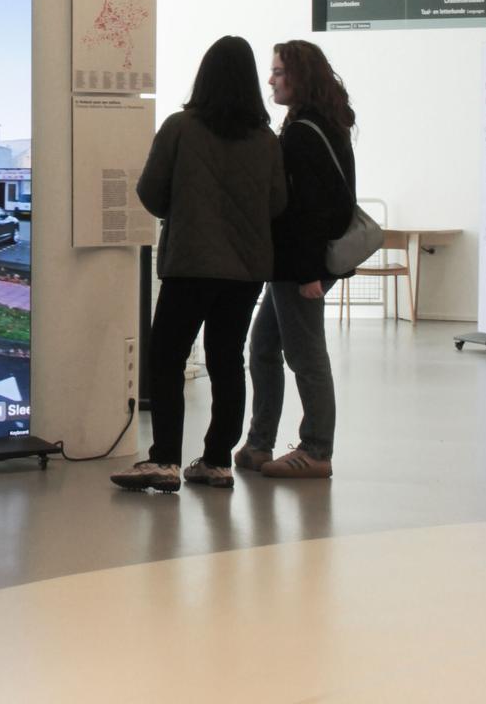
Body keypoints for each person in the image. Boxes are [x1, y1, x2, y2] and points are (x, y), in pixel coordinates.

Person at [112, 36, 286, 493]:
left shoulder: (180, 127)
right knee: (227, 360)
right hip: (245, 270)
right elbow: (277, 203)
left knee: (166, 358)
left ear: (204, 76)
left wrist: (184, 206)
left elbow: (151, 193)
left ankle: (165, 460)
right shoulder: (266, 141)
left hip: (190, 263)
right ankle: (216, 461)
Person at [235, 39, 355, 480]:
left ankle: (317, 449)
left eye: (279, 72)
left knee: (305, 355)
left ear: (300, 77)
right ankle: (259, 442)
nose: (270, 80)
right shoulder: (318, 124)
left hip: (301, 267)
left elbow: (310, 211)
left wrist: (308, 274)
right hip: (294, 266)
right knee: (264, 346)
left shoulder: (305, 133)